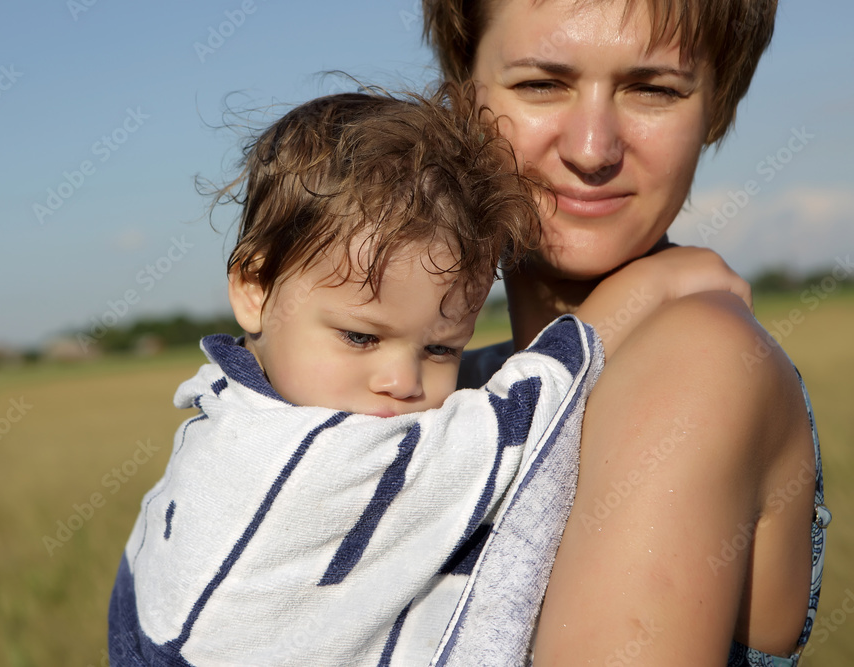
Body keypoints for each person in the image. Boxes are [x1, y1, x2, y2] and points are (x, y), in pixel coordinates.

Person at [107, 85, 749, 665]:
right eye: (360, 337)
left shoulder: (236, 398)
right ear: (254, 288)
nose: (402, 380)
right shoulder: (292, 458)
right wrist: (648, 288)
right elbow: (520, 416)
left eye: (440, 348)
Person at [422, 0, 828, 664]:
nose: (592, 150)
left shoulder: (700, 358)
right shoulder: (447, 387)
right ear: (459, 100)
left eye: (653, 90)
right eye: (541, 84)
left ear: (717, 110)